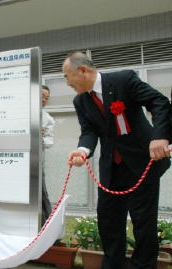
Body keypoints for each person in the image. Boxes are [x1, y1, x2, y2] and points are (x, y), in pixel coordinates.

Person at [64, 52, 170, 269]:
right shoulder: (81, 100)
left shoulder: (124, 80)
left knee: (143, 224)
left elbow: (159, 102)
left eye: (67, 77)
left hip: (141, 164)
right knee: (108, 222)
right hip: (111, 168)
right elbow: (89, 131)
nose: (66, 83)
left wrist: (161, 136)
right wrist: (82, 150)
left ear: (82, 70)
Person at [41, 85, 54, 223]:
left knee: (41, 193)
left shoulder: (48, 119)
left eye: (46, 98)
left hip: (37, 162)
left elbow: (49, 142)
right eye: (41, 96)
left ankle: (47, 224)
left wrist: (39, 136)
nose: (44, 100)